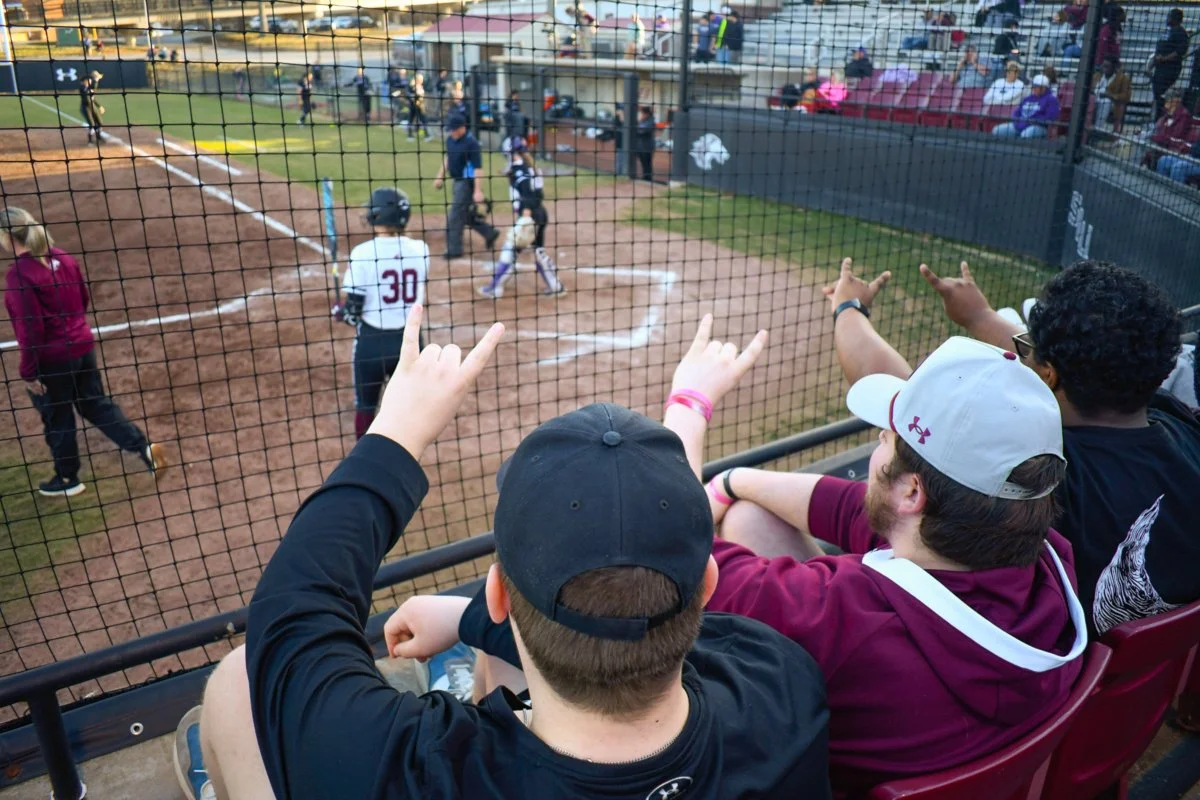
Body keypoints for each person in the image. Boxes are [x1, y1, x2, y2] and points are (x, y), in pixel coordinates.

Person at [178, 311, 833, 800]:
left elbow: (290, 616)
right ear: (709, 585)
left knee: (239, 680)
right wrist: (465, 620)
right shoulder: (780, 686)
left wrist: (398, 429)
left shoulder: (408, 768)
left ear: (496, 593)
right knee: (506, 676)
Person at [670, 306, 1083, 793]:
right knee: (750, 514)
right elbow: (857, 510)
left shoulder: (842, 620)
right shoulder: (1052, 565)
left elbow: (670, 556)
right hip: (974, 755)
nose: (878, 445)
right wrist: (736, 482)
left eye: (886, 437)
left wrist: (688, 406)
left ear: (912, 492)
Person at [833, 257, 1200, 637]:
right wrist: (980, 317)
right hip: (1131, 680)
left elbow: (915, 404)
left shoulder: (1040, 471)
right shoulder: (1182, 428)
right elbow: (1077, 363)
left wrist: (848, 308)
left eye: (1028, 348)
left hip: (1038, 669)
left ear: (1048, 374)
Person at [2, 207, 165, 497]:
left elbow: (31, 332)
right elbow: (83, 299)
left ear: (6, 236)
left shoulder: (19, 275)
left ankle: (68, 480)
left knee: (57, 417)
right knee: (95, 404)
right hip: (82, 347)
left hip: (53, 360)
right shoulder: (63, 257)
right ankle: (143, 447)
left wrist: (28, 372)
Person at [335, 189, 428, 440]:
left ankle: (363, 462)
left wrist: (340, 311)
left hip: (371, 346)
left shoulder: (362, 253)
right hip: (409, 344)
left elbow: (353, 314)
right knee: (408, 407)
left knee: (366, 406)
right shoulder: (421, 250)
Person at [479, 139, 565, 299]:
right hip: (540, 214)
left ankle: (495, 288)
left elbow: (528, 194)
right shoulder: (529, 167)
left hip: (530, 215)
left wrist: (525, 218)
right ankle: (556, 287)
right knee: (538, 252)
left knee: (509, 249)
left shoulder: (520, 170)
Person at [433, 114, 498, 260]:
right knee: (464, 215)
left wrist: (477, 190)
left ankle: (454, 249)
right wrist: (440, 176)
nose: (452, 132)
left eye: (454, 130)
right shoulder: (450, 140)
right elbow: (448, 158)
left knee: (455, 216)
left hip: (466, 183)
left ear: (463, 128)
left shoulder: (471, 143)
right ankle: (490, 233)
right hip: (456, 182)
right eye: (450, 130)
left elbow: (478, 168)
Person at [1151, 8, 1190, 120]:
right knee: (1157, 93)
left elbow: (1180, 51)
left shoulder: (1180, 33)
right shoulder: (1168, 31)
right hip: (1159, 68)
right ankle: (1157, 118)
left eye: (1169, 16)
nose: (1167, 18)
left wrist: (1164, 58)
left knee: (1162, 94)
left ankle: (1161, 118)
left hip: (1169, 69)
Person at [993, 74, 1060, 138]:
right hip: (1021, 124)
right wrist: (1017, 122)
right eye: (1034, 86)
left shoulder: (1051, 100)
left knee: (1026, 134)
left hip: (1039, 126)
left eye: (1037, 86)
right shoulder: (1028, 99)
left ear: (1044, 88)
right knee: (997, 130)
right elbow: (1017, 113)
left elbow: (1050, 118)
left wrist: (1031, 121)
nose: (1034, 88)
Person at [1143, 90, 1192, 170]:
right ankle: (1144, 166)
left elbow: (1175, 135)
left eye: (1168, 101)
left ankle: (1146, 166)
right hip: (1163, 142)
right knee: (1144, 140)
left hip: (1174, 147)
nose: (1165, 104)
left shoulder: (1184, 115)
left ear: (1175, 102)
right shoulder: (1168, 113)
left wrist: (1156, 137)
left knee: (1150, 144)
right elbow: (1161, 128)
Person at [1092, 55, 1131, 132]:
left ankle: (1098, 129)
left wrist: (1109, 95)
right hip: (1094, 99)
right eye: (1103, 66)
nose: (1104, 69)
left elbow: (1126, 95)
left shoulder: (1122, 78)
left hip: (1111, 102)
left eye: (1107, 67)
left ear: (1114, 67)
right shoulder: (1097, 76)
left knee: (1105, 102)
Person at [78, 71, 104, 144]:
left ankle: (98, 136)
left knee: (100, 122)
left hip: (92, 106)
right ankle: (90, 141)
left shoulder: (89, 87)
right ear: (84, 81)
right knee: (92, 124)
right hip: (85, 107)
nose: (90, 81)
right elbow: (87, 96)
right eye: (88, 80)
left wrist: (99, 106)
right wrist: (95, 79)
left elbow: (92, 97)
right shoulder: (82, 88)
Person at [634, 105, 656, 182]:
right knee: (643, 163)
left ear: (647, 114)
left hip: (647, 147)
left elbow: (641, 131)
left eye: (642, 113)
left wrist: (637, 126)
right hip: (641, 146)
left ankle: (648, 178)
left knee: (647, 163)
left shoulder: (650, 121)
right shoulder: (643, 121)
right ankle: (645, 177)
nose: (641, 115)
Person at [406, 73, 430, 141]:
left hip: (420, 106)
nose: (422, 80)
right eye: (420, 79)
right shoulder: (412, 86)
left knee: (422, 120)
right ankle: (410, 135)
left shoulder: (421, 86)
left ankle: (426, 135)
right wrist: (414, 98)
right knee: (412, 119)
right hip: (414, 106)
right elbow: (410, 95)